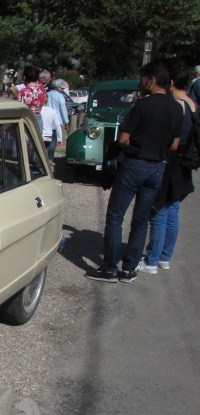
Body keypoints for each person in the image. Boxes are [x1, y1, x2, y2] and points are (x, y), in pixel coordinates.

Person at [86, 62, 183, 283]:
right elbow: (175, 145)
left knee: (116, 215)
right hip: (158, 167)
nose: (141, 83)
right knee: (141, 219)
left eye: (143, 79)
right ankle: (129, 268)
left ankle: (110, 267)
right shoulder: (176, 108)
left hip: (135, 164)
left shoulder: (142, 106)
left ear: (152, 80)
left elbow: (123, 139)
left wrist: (131, 148)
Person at [139, 63, 197, 274]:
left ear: (171, 83)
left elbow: (172, 139)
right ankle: (165, 256)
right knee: (172, 209)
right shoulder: (192, 104)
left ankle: (152, 260)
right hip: (184, 164)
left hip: (171, 161)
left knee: (159, 210)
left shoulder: (177, 105)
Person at [17, 65, 47, 131]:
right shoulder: (42, 90)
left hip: (26, 119)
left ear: (24, 77)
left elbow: (18, 108)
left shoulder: (23, 92)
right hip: (38, 118)